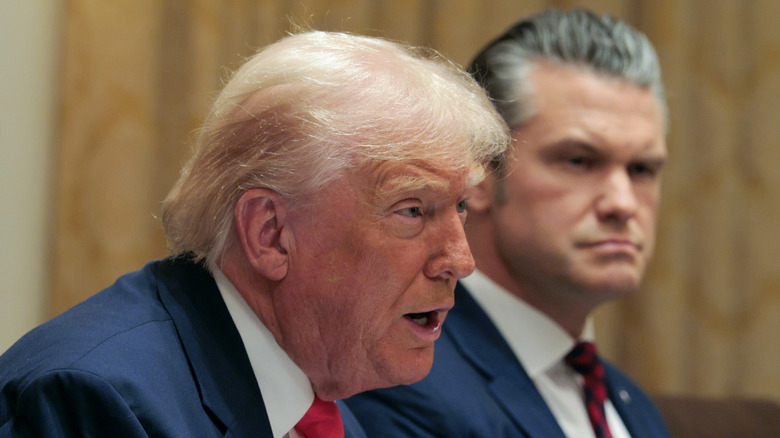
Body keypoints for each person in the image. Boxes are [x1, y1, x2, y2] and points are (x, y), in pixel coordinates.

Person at [0, 30, 508, 437]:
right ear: (269, 234)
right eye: (413, 210)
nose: (460, 260)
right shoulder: (93, 401)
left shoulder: (318, 395)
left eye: (460, 206)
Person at [346, 8, 671, 438]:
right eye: (578, 160)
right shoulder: (401, 373)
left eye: (642, 170)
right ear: (479, 174)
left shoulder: (633, 408)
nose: (623, 203)